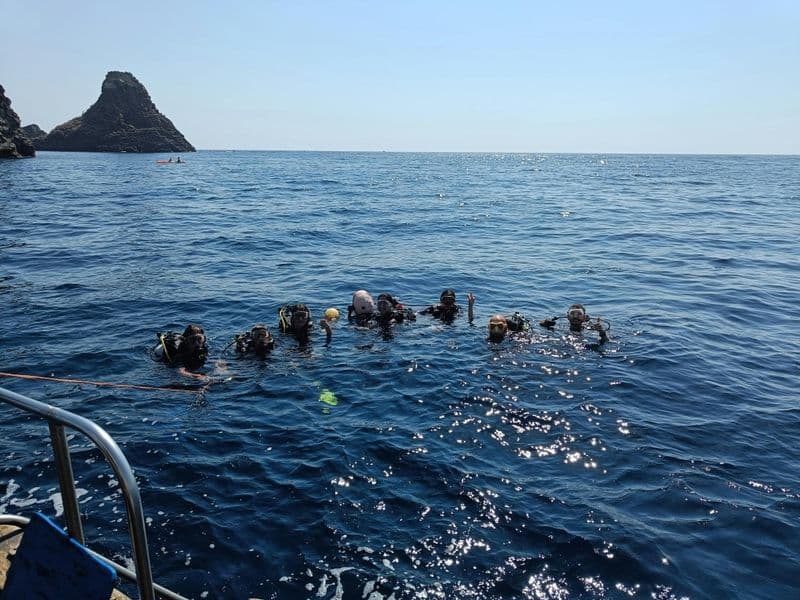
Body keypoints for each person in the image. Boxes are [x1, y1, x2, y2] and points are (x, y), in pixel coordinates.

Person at [539, 303, 609, 343]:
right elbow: (540, 324)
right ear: (567, 316)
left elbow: (606, 341)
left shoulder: (591, 328)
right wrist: (546, 323)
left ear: (584, 317)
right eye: (572, 313)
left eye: (579, 314)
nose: (575, 317)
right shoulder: (560, 326)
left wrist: (601, 332)